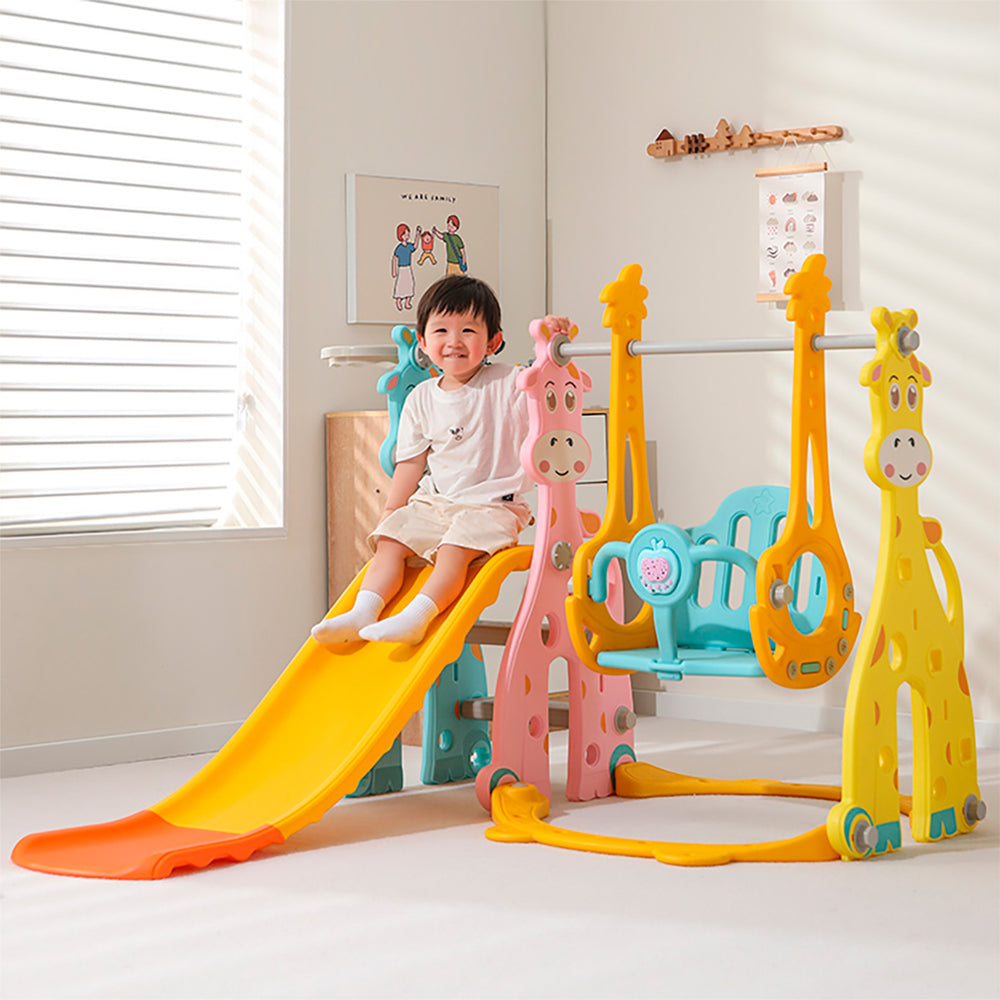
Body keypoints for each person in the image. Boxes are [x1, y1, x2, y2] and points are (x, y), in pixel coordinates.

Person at [313, 275, 569, 646]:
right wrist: (392, 509)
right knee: (390, 542)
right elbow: (411, 463)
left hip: (493, 507)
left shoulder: (508, 382)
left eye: (468, 330)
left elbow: (548, 385)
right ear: (423, 340)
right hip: (436, 503)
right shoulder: (421, 397)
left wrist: (551, 343)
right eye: (441, 330)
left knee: (453, 550)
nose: (454, 341)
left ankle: (416, 617)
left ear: (493, 341)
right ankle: (363, 611)